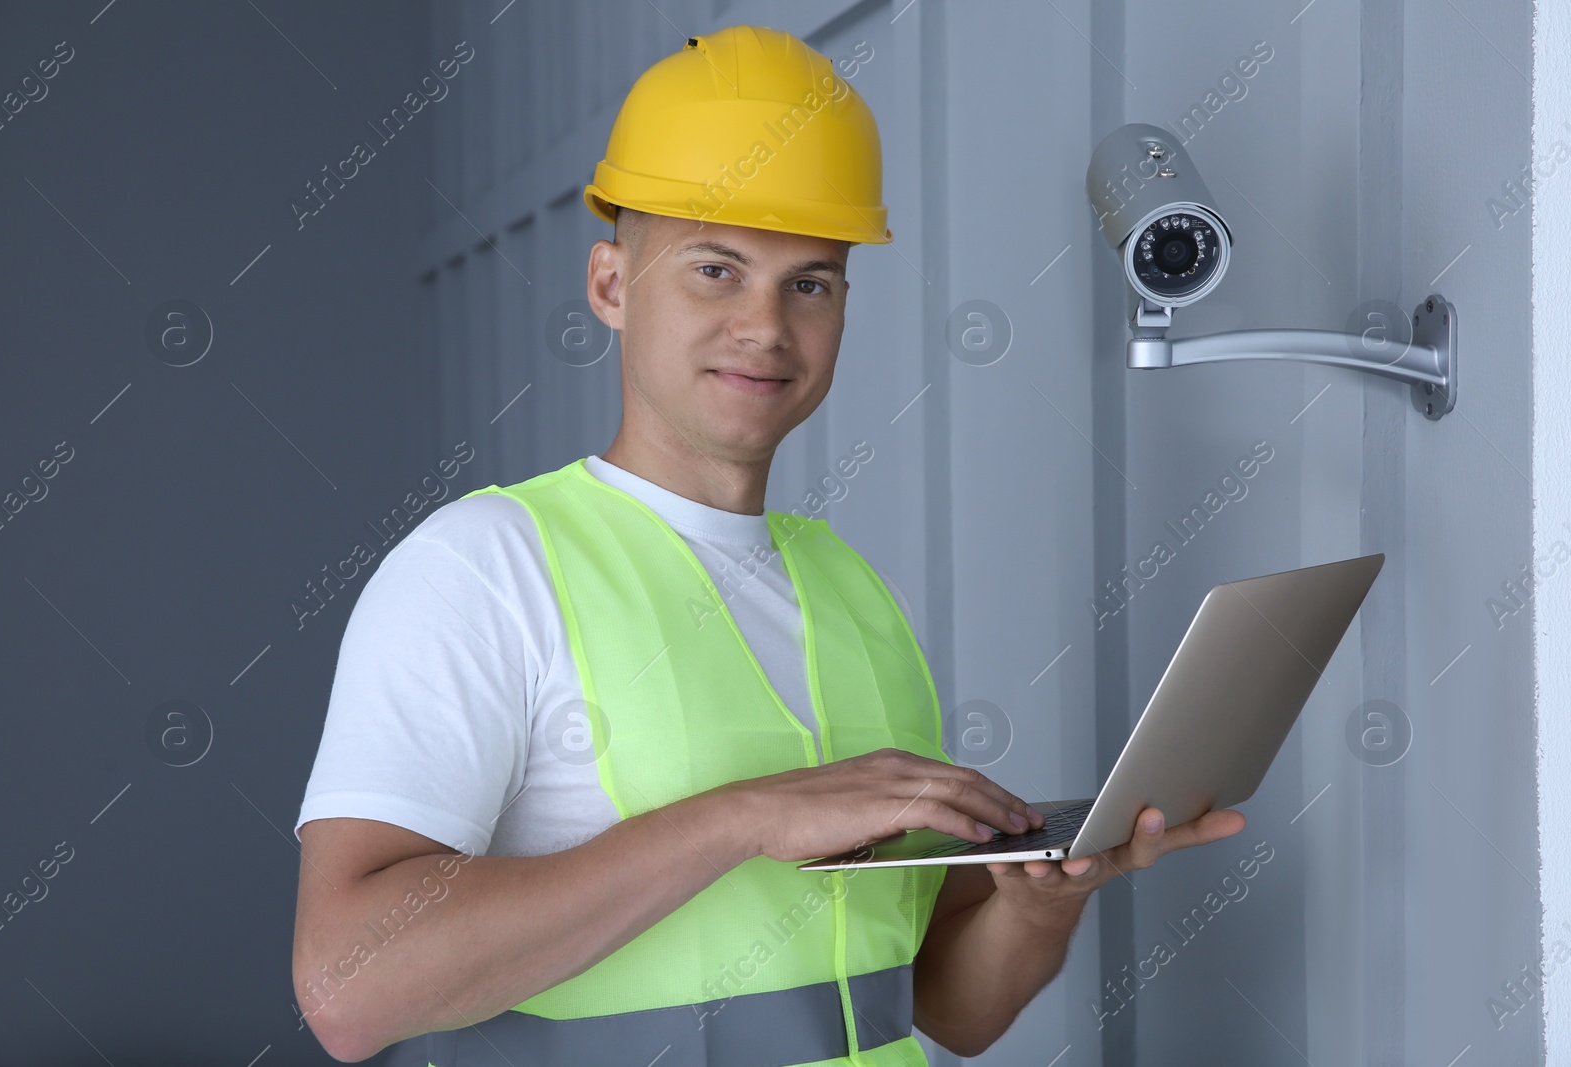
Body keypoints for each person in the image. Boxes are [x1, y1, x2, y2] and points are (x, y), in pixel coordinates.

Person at [289, 23, 1244, 1065]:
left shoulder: (851, 590)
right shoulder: (482, 567)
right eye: (715, 268)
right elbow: (348, 987)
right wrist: (739, 818)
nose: (765, 326)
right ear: (611, 285)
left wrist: (1040, 899)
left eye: (810, 282)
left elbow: (943, 1008)